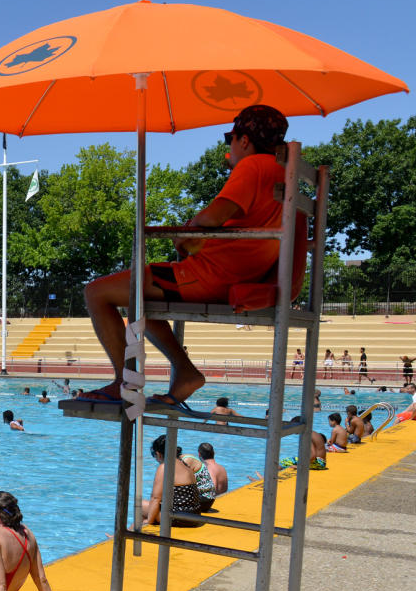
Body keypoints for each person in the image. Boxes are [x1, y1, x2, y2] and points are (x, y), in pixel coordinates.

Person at [80, 105, 291, 410]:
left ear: (244, 140)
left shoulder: (254, 166)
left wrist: (185, 233)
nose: (229, 146)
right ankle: (185, 372)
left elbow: (211, 218)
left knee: (97, 291)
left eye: (229, 138)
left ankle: (122, 382)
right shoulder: (283, 171)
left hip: (212, 275)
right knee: (140, 300)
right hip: (239, 273)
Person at [141, 435, 203, 526]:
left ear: (159, 454)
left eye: (154, 455)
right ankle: (128, 533)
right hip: (195, 516)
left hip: (180, 518)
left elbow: (155, 498)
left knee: (140, 505)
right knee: (147, 512)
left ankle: (129, 535)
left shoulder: (164, 467)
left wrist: (149, 521)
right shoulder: (184, 464)